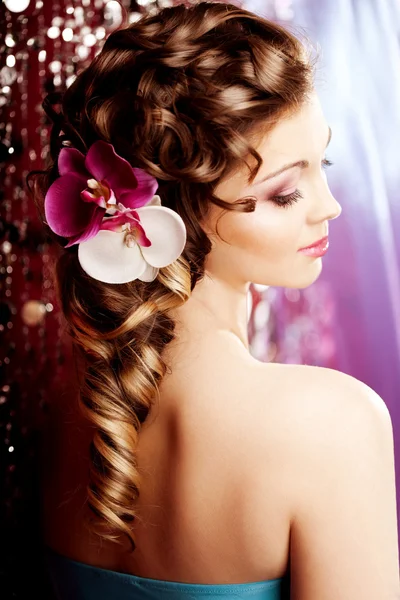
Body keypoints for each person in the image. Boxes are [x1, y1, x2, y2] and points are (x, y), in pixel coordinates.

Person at [28, 2, 399, 599]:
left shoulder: (76, 411)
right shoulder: (333, 426)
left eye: (321, 164)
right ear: (172, 210)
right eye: (284, 192)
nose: (328, 206)